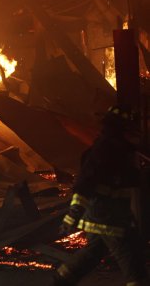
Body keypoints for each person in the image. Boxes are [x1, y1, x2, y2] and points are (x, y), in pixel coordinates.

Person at [53, 105, 149, 286]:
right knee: (132, 260)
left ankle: (60, 281)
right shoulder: (104, 151)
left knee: (92, 254)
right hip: (109, 218)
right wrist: (71, 217)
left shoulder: (120, 151)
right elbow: (84, 186)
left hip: (109, 215)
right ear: (121, 129)